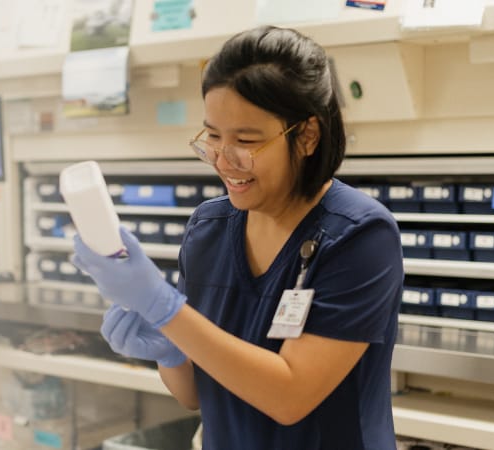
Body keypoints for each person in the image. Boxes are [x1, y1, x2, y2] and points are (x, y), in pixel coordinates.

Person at [71, 26, 403, 450]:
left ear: (306, 136)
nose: (224, 161)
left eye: (245, 140)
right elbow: (193, 392)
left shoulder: (361, 236)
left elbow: (290, 396)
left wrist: (163, 308)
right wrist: (168, 350)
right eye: (212, 136)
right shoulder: (208, 229)